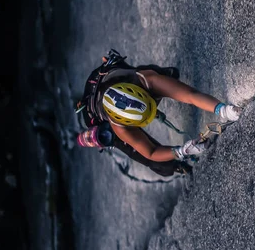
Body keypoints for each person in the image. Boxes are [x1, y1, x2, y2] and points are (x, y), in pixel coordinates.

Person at [76, 50, 241, 177]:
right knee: (143, 156)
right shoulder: (120, 128)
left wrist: (223, 109)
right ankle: (177, 166)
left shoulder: (145, 79)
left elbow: (191, 95)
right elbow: (151, 152)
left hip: (121, 79)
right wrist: (181, 151)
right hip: (97, 109)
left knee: (159, 75)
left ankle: (165, 76)